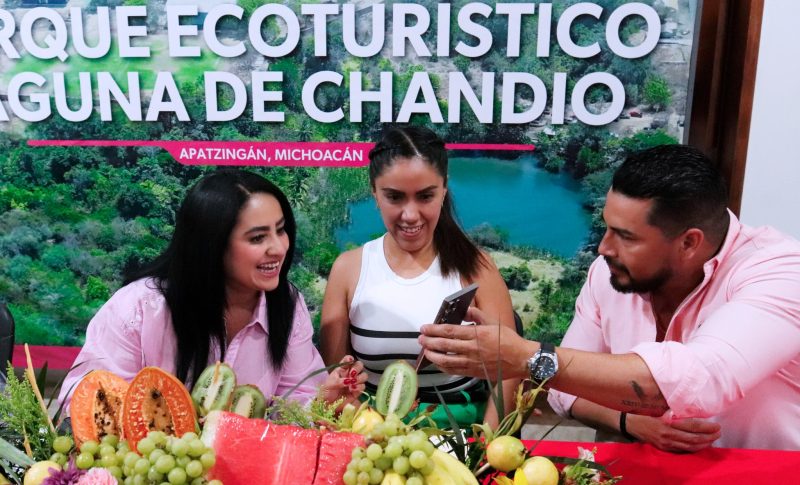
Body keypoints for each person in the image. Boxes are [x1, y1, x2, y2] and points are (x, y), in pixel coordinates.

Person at [418, 144, 800, 451]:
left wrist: (527, 357)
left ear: (689, 243)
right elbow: (563, 392)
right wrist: (628, 422)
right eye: (606, 228)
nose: (604, 248)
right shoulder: (610, 273)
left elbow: (696, 380)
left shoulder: (778, 272)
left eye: (626, 237)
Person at [59, 169, 366, 410]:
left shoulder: (286, 303)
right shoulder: (137, 309)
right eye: (257, 238)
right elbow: (87, 404)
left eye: (281, 229)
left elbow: (291, 406)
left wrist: (323, 401)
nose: (278, 248)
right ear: (212, 245)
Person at [321, 126, 518, 429]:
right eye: (394, 197)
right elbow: (336, 376)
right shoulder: (348, 269)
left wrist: (486, 446)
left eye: (425, 196)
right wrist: (371, 428)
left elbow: (509, 371)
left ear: (444, 189)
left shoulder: (477, 267)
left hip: (459, 431)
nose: (410, 215)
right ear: (374, 193)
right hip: (368, 428)